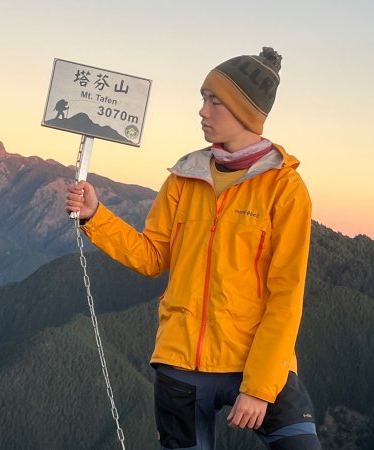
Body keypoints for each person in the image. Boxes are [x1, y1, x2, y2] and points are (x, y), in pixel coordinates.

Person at [66, 47, 322, 450]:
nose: (202, 110)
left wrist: (258, 387)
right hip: (180, 364)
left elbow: (286, 296)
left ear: (245, 110)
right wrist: (95, 215)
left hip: (256, 363)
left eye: (213, 100)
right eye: (203, 98)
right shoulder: (183, 179)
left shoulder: (284, 189)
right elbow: (152, 257)